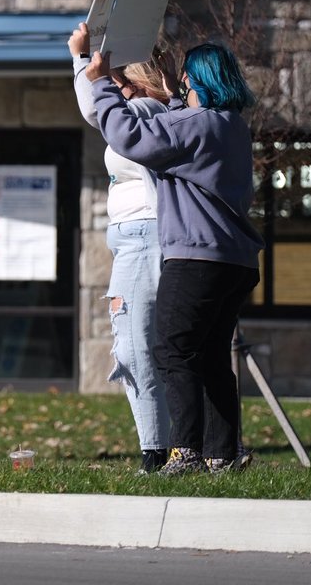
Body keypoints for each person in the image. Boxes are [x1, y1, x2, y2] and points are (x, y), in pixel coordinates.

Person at [76, 23, 263, 476]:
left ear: (198, 82)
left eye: (187, 81)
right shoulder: (231, 128)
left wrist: (98, 81)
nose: (183, 86)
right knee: (213, 356)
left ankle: (186, 452)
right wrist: (165, 92)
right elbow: (179, 127)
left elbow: (129, 137)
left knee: (173, 351)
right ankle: (222, 454)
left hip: (196, 257)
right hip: (237, 261)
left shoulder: (192, 127)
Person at [70, 38, 173, 474]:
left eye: (117, 75)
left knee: (133, 346)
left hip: (144, 238)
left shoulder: (149, 111)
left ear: (136, 76)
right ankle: (172, 447)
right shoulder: (141, 110)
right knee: (147, 346)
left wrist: (82, 62)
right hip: (132, 240)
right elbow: (99, 112)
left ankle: (157, 452)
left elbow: (98, 113)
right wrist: (87, 66)